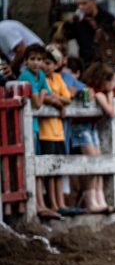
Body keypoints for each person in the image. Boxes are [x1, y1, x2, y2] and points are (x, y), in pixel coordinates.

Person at [17, 44, 65, 219]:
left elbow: (54, 97)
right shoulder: (26, 76)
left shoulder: (39, 75)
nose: (36, 63)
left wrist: (58, 101)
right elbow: (38, 102)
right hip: (27, 128)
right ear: (25, 61)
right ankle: (37, 204)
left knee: (37, 166)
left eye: (39, 59)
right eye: (33, 59)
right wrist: (46, 94)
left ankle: (42, 204)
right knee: (32, 166)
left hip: (35, 127)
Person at [71, 62, 115, 213]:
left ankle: (99, 198)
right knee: (93, 163)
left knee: (98, 164)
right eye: (111, 81)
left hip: (90, 129)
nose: (114, 85)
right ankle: (91, 200)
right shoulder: (98, 93)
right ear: (103, 80)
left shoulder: (97, 92)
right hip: (81, 129)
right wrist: (110, 96)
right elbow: (110, 112)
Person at [40, 44, 77, 216]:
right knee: (49, 170)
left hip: (58, 132)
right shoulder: (42, 79)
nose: (48, 66)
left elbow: (68, 98)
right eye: (45, 62)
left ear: (56, 65)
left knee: (58, 169)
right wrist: (58, 101)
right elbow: (49, 97)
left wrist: (59, 101)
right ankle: (53, 204)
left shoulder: (57, 78)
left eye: (51, 63)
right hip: (45, 131)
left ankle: (60, 202)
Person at [61, 0, 115, 69]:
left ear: (93, 1)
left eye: (84, 3)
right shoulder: (78, 21)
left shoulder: (108, 19)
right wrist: (68, 23)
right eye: (79, 4)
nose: (81, 7)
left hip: (105, 65)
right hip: (85, 66)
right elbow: (63, 37)